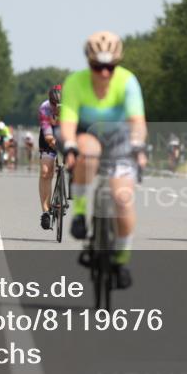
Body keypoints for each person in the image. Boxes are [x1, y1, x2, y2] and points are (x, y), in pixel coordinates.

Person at [61, 31, 147, 288]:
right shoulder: (75, 82)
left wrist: (138, 146)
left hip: (121, 139)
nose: (104, 73)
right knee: (88, 152)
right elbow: (67, 122)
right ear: (89, 63)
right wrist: (68, 145)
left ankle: (121, 258)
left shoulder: (127, 82)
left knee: (122, 200)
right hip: (88, 134)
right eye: (98, 66)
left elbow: (136, 121)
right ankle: (78, 213)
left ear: (117, 64)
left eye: (110, 66)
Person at [37, 85, 63, 230]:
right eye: (53, 104)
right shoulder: (44, 108)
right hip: (49, 137)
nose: (55, 107)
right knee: (46, 171)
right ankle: (46, 212)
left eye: (58, 104)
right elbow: (48, 136)